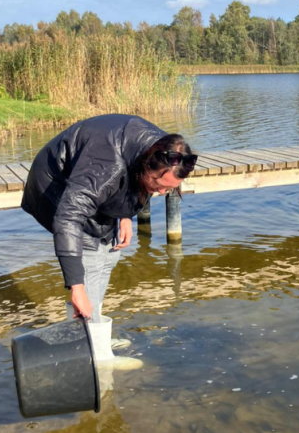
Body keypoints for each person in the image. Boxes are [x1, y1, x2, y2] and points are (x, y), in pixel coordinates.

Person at [21, 114, 196, 370]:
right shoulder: (106, 166)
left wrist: (125, 213)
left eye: (170, 189)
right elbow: (69, 218)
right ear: (146, 166)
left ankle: (95, 334)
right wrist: (76, 287)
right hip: (55, 185)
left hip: (92, 180)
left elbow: (132, 178)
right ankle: (95, 355)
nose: (162, 193)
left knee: (110, 251)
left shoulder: (165, 148)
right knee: (91, 255)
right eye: (159, 186)